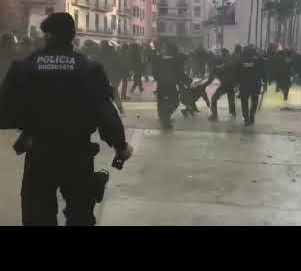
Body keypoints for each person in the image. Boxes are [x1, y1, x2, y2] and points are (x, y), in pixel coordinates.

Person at [0, 12, 132, 226]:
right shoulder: (89, 68)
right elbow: (105, 112)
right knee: (80, 215)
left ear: (46, 35)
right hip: (77, 154)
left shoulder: (24, 66)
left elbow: (5, 112)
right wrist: (121, 146)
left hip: (40, 153)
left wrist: (29, 128)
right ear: (72, 36)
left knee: (37, 216)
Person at [151, 41, 188, 129]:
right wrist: (186, 81)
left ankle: (164, 117)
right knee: (174, 101)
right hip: (171, 85)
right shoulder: (175, 60)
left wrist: (158, 78)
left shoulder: (158, 58)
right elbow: (180, 73)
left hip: (161, 84)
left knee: (161, 102)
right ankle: (166, 118)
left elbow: (154, 71)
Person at [238, 46, 267, 126]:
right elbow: (263, 72)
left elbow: (237, 72)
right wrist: (265, 83)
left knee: (245, 102)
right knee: (254, 101)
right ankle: (251, 115)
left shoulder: (241, 60)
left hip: (245, 84)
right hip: (254, 84)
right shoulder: (259, 60)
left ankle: (247, 117)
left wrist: (236, 83)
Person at [207, 48, 238, 121]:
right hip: (230, 84)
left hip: (226, 84)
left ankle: (214, 115)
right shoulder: (226, 62)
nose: (222, 56)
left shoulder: (229, 63)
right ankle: (233, 112)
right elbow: (214, 74)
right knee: (231, 98)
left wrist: (217, 69)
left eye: (223, 55)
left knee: (214, 98)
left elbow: (226, 67)